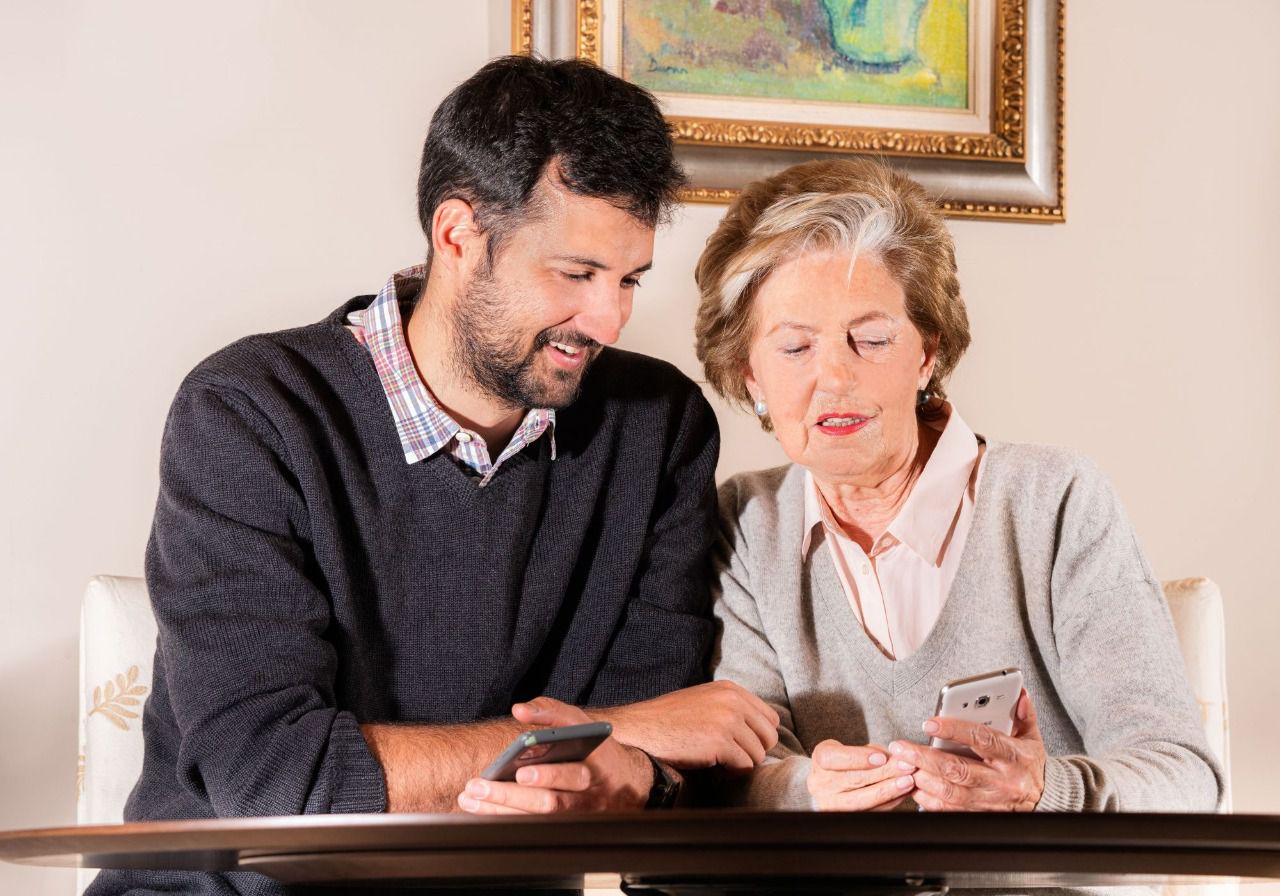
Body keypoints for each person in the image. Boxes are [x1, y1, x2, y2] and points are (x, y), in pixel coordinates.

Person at [88, 56, 777, 896]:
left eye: (629, 279)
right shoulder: (251, 413)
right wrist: (622, 732)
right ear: (458, 235)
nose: (609, 319)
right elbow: (273, 777)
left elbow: (672, 771)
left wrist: (643, 771)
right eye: (576, 274)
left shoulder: (657, 429)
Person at [695, 157, 1223, 813]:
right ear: (750, 377)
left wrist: (1041, 790)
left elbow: (1186, 783)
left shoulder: (1054, 501)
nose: (833, 376)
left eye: (871, 338)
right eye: (795, 348)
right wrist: (806, 790)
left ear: (928, 354)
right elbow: (732, 772)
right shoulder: (746, 522)